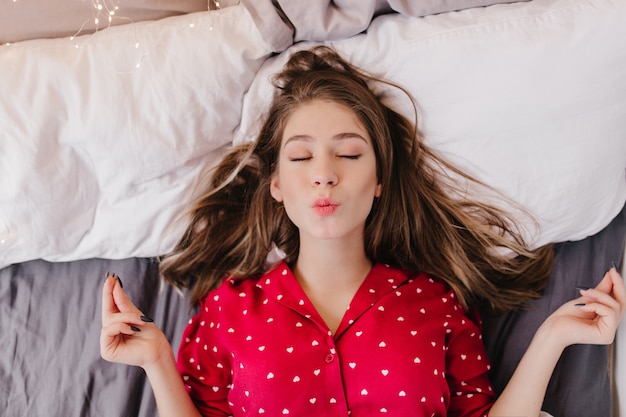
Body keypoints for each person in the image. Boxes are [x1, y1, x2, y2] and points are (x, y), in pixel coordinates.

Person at [100, 46, 625, 416]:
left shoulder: (436, 304)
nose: (325, 171)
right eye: (302, 155)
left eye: (349, 153)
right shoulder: (228, 312)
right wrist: (154, 362)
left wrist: (555, 337)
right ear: (277, 184)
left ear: (377, 181)